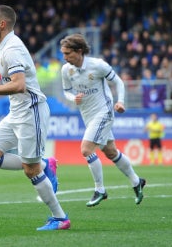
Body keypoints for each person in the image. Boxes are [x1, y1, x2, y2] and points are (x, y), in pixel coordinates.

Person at [0, 5, 70, 231]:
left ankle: (60, 218)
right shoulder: (5, 45)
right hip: (16, 112)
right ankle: (46, 164)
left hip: (30, 111)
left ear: (2, 24)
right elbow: (7, 72)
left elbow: (19, 85)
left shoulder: (12, 47)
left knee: (30, 170)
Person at [59, 33, 146, 207]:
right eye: (64, 53)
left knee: (86, 149)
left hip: (104, 111)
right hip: (87, 115)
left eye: (68, 53)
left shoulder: (98, 65)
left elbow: (119, 82)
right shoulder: (66, 70)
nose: (65, 57)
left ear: (80, 51)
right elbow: (66, 91)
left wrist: (120, 101)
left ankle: (100, 190)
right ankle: (137, 182)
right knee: (110, 151)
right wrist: (72, 98)